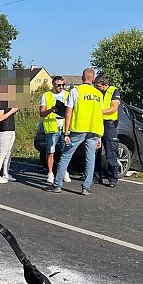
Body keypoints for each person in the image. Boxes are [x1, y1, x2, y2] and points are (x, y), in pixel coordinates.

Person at [50, 67, 103, 195]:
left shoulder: (76, 91)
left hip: (78, 129)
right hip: (94, 130)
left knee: (66, 155)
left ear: (82, 77)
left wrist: (66, 132)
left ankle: (57, 184)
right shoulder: (99, 95)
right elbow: (100, 115)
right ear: (93, 79)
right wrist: (100, 136)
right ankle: (86, 187)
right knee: (90, 158)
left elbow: (68, 113)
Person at [39, 76, 72, 185]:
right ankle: (50, 173)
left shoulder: (68, 94)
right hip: (52, 126)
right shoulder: (46, 95)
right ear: (53, 85)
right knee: (50, 150)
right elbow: (41, 113)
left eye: (63, 85)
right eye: (59, 85)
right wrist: (51, 110)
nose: (61, 87)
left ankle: (64, 171)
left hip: (65, 126)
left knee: (65, 150)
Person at [92, 73, 121, 187]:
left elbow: (114, 108)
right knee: (95, 150)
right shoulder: (96, 92)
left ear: (104, 84)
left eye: (98, 85)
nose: (96, 87)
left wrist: (99, 112)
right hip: (97, 122)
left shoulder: (114, 91)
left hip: (109, 124)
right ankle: (96, 176)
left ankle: (112, 178)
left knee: (111, 151)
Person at [0, 103, 18, 183]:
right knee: (2, 154)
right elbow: (0, 118)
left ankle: (5, 174)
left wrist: (15, 111)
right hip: (4, 130)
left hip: (11, 129)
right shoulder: (1, 104)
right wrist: (12, 111)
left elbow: (11, 114)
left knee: (9, 153)